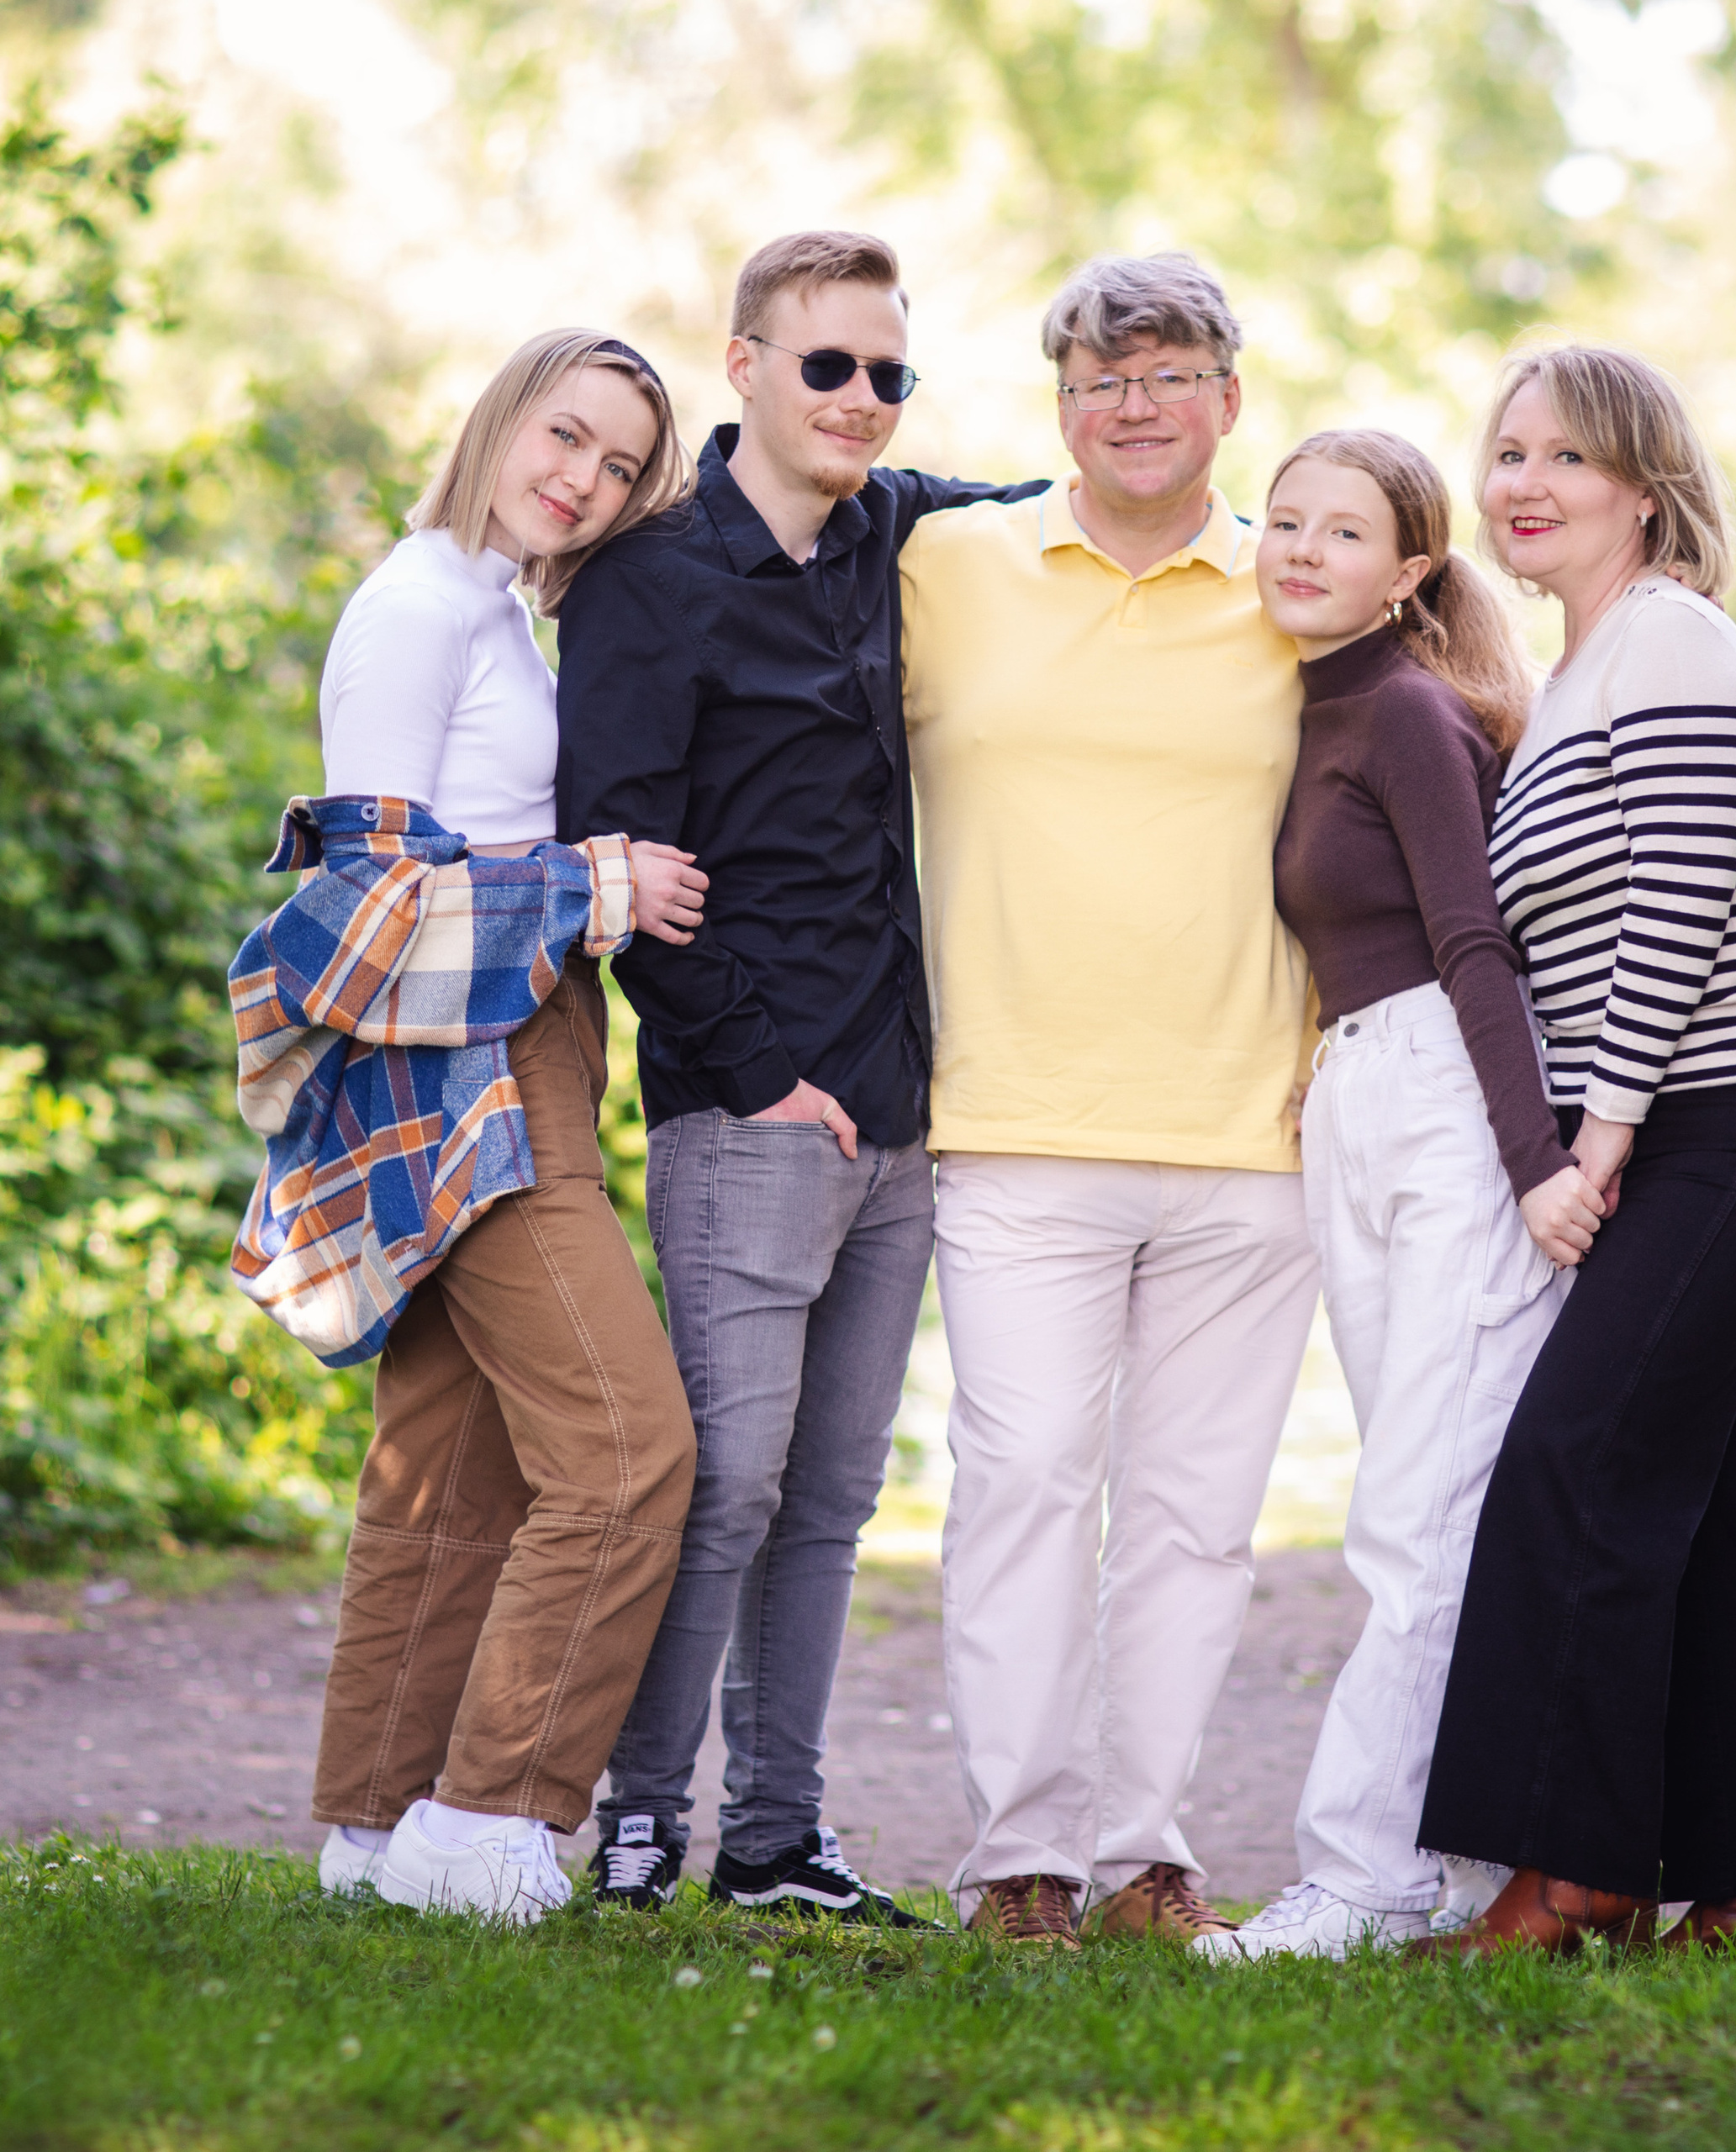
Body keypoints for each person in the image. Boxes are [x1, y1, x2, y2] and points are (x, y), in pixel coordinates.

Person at [553, 231, 1045, 1921]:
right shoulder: (650, 572)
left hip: (901, 1108)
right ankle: (638, 1821)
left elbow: (1074, 504)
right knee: (724, 1482)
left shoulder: (896, 531)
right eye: (826, 364)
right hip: (744, 1112)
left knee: (831, 1496)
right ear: (745, 362)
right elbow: (614, 855)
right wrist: (758, 1076)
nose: (858, 399)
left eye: (887, 373)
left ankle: (776, 1837)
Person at [247, 330, 710, 1923]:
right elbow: (368, 903)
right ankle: (493, 1816)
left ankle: (376, 1829)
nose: (581, 481)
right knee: (627, 1450)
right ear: (503, 415)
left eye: (621, 466)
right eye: (564, 436)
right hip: (464, 1063)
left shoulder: (495, 606)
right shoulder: (419, 606)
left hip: (529, 1039)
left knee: (454, 1469)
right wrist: (598, 885)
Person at [1411, 344, 1736, 1958]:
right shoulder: (1584, 672)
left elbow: (1674, 915)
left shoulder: (1669, 642)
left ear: (1646, 489)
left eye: (1567, 461)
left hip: (1733, 1126)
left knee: (1576, 1473)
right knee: (1700, 1494)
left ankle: (1579, 1876)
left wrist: (1592, 1145)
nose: (1522, 484)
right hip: (1696, 1134)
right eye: (1508, 452)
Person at [900, 253, 1321, 1949]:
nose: (1131, 404)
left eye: (1165, 373)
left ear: (1228, 395)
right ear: (1056, 402)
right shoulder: (948, 565)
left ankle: (1144, 1854)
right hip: (1010, 1123)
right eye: (1096, 376)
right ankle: (1020, 1857)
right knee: (1015, 1488)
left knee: (1193, 1523)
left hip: (1255, 1138)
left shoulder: (1303, 581)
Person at [1193, 431, 1605, 1962]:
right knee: (1422, 1497)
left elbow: (1473, 948)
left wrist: (1534, 1169)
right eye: (1284, 521)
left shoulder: (1413, 712)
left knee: (1418, 1518)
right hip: (1361, 1100)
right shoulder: (1311, 708)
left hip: (1450, 1106)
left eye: (1344, 533)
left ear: (1413, 571)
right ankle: (1443, 1868)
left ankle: (1361, 1875)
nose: (1299, 549)